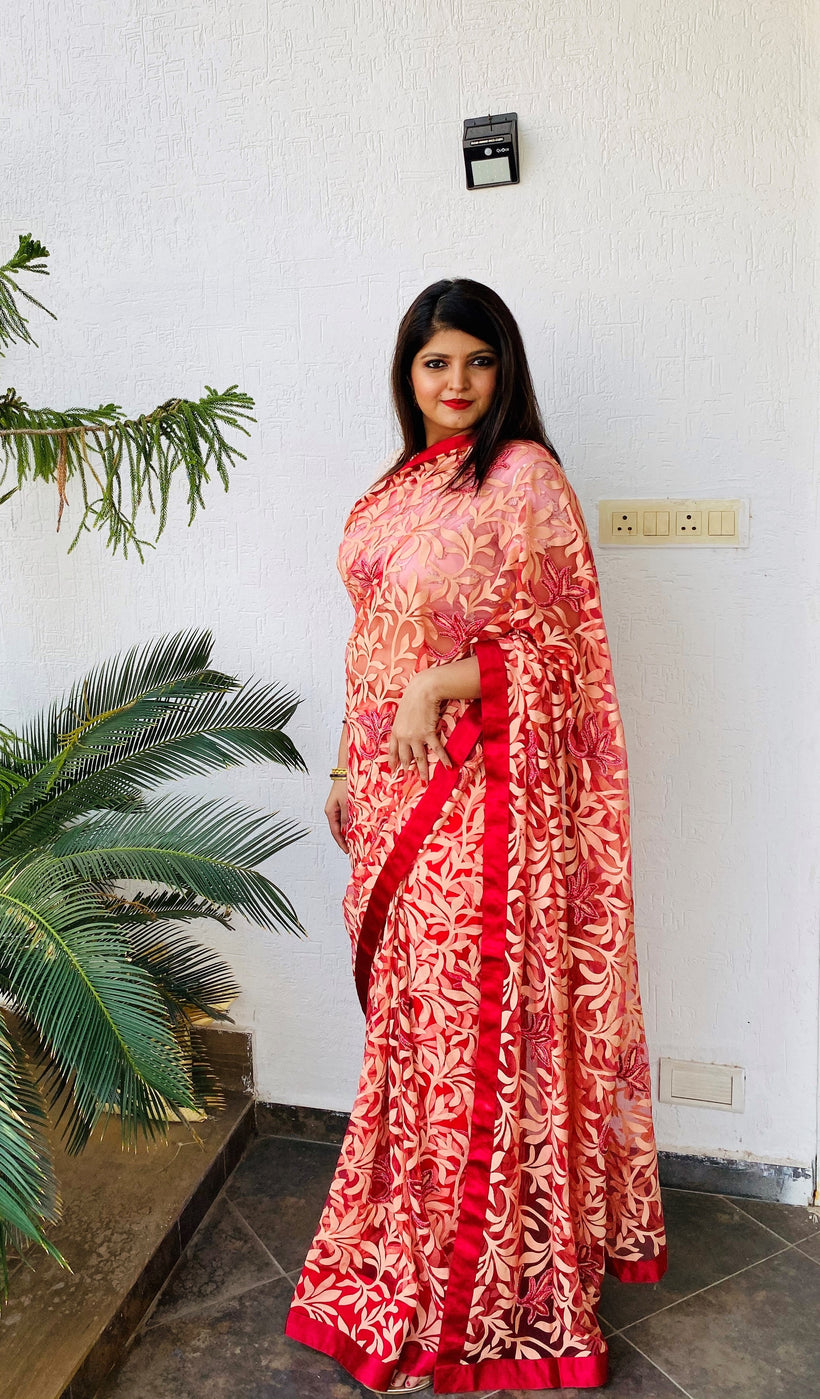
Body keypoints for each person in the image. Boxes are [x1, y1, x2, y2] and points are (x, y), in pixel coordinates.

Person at [284, 278, 667, 1395]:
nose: (454, 384)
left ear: (505, 372)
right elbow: (370, 633)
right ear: (406, 376)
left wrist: (438, 689)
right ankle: (407, 1249)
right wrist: (351, 761)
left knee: (470, 1035)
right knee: (412, 1029)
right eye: (432, 363)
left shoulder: (523, 479)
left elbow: (564, 656)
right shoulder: (402, 482)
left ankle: (481, 1288)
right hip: (393, 796)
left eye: (475, 362)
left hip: (475, 804)